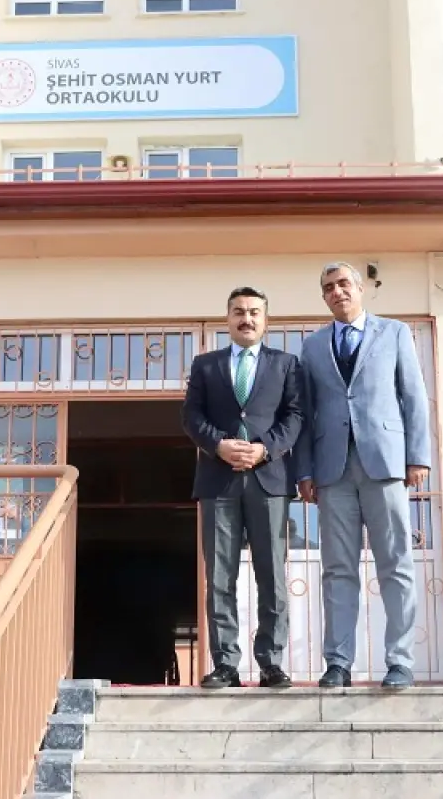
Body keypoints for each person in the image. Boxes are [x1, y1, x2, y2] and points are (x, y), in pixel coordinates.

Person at [294, 262, 431, 690]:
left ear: (360, 288)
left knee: (395, 563)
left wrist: (417, 457)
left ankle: (400, 662)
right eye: (329, 288)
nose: (337, 292)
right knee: (337, 568)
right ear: (324, 297)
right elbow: (305, 411)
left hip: (385, 463)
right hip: (332, 469)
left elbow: (413, 395)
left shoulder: (394, 333)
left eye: (344, 284)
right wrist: (304, 470)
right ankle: (338, 663)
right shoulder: (313, 346)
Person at [183, 286, 304, 689]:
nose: (246, 318)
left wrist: (264, 449)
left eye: (254, 312)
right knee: (220, 576)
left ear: (265, 320)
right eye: (238, 311)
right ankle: (225, 664)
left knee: (272, 576)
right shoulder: (206, 365)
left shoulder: (285, 364)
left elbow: (295, 416)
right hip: (217, 482)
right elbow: (191, 416)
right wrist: (218, 444)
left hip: (269, 481)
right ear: (228, 319)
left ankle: (271, 662)